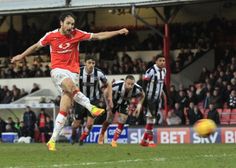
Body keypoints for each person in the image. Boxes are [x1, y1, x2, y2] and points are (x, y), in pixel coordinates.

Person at [11, 12, 129, 151]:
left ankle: (52, 140)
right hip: (58, 71)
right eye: (68, 23)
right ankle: (91, 107)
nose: (71, 26)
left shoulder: (77, 34)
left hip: (73, 72)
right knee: (71, 86)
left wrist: (118, 31)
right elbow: (36, 46)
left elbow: (98, 35)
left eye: (73, 24)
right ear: (61, 23)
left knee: (64, 109)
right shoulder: (51, 35)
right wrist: (21, 56)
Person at [71, 55, 113, 145]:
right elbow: (72, 84)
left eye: (93, 63)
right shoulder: (78, 71)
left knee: (90, 124)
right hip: (80, 100)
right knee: (76, 124)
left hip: (94, 100)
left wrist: (109, 98)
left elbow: (108, 83)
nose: (91, 65)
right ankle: (73, 134)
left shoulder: (99, 73)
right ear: (85, 63)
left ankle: (82, 139)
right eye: (89, 63)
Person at [97, 75, 145, 147]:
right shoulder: (116, 85)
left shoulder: (137, 88)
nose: (130, 86)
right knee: (109, 120)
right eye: (128, 84)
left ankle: (114, 141)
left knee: (123, 119)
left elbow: (143, 95)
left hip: (125, 103)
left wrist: (139, 105)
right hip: (113, 102)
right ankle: (102, 133)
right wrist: (108, 104)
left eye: (132, 84)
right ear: (124, 82)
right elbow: (105, 92)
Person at [140, 54, 168, 147]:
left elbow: (163, 85)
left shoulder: (164, 70)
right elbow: (144, 84)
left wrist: (167, 96)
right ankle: (150, 141)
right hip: (149, 98)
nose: (162, 62)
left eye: (163, 61)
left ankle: (144, 140)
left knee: (151, 120)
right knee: (151, 118)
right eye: (160, 60)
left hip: (157, 99)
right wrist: (144, 99)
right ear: (156, 61)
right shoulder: (151, 70)